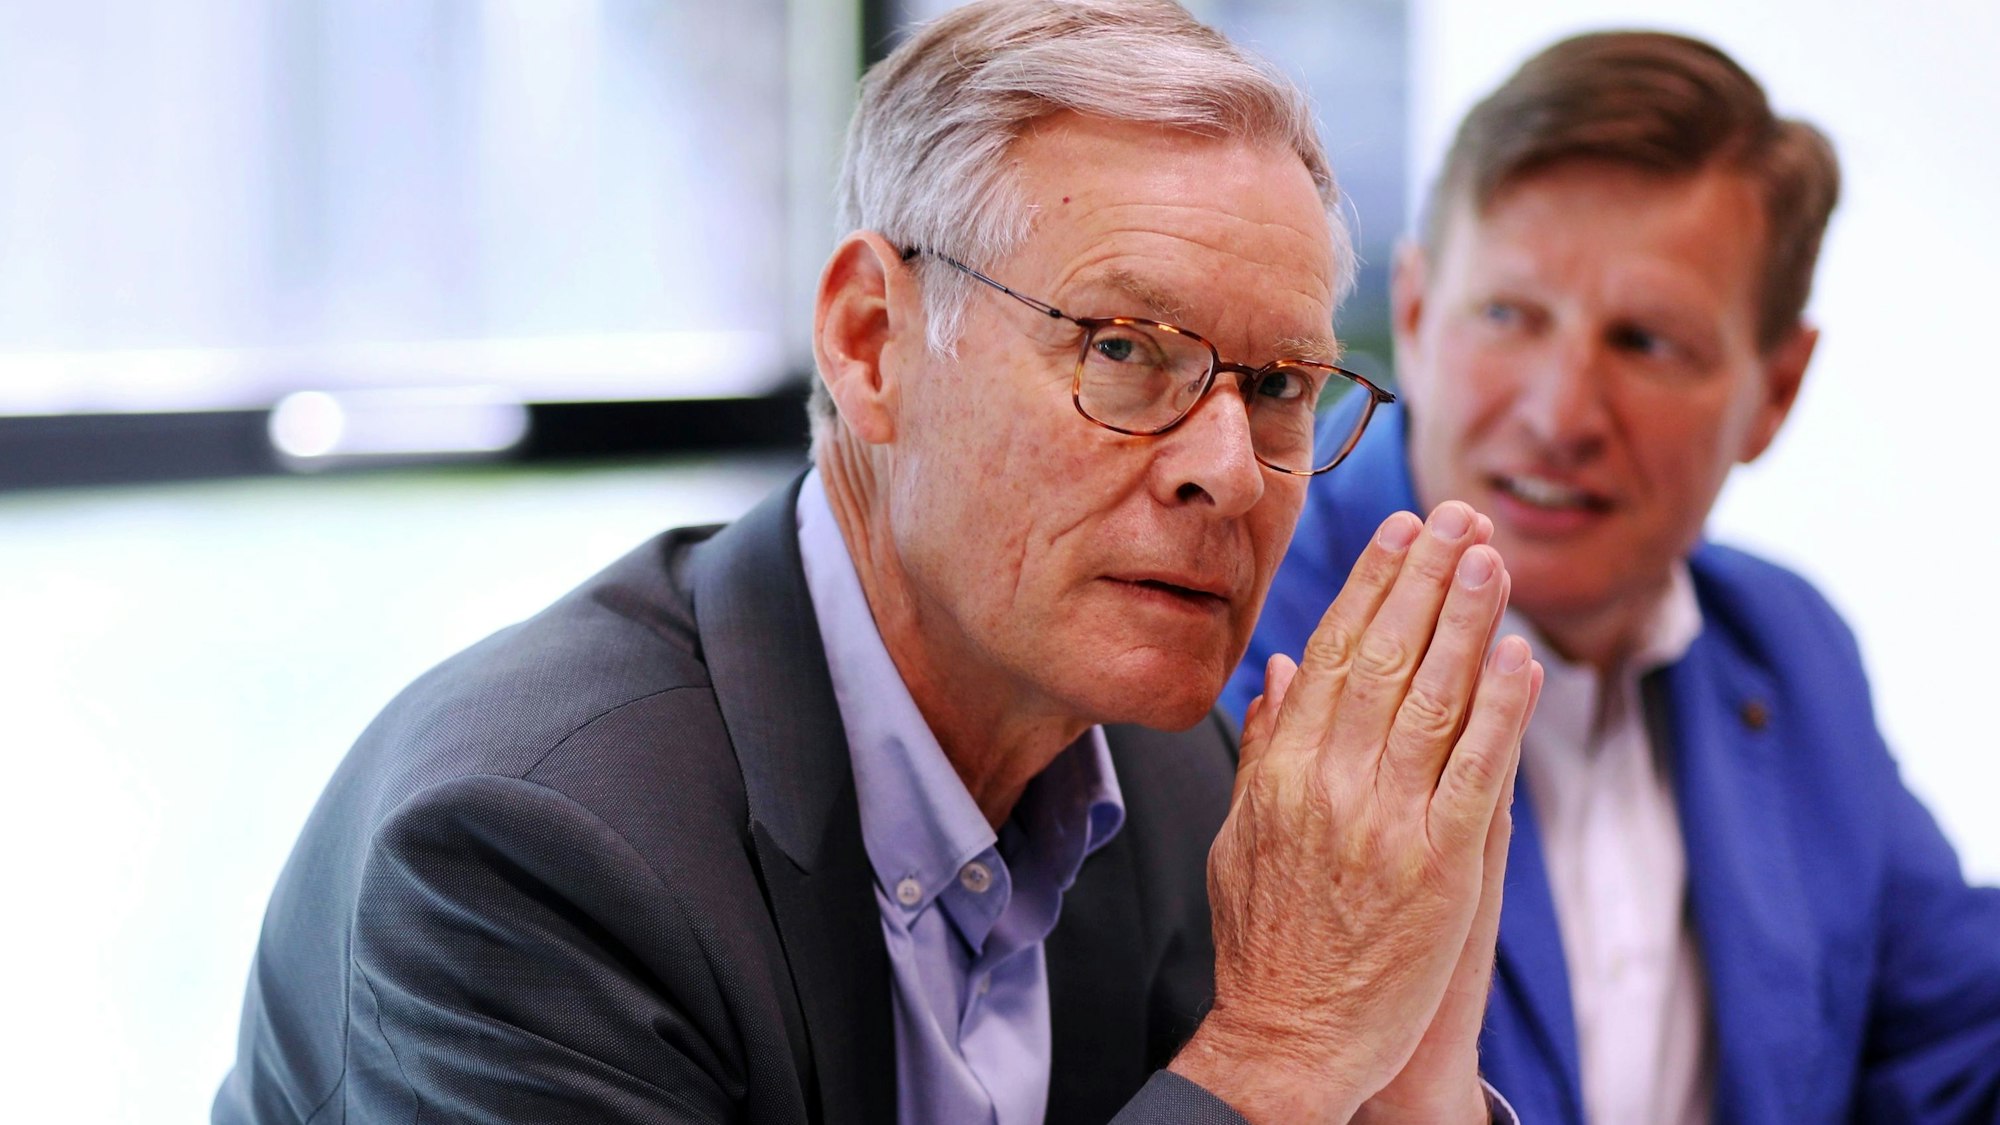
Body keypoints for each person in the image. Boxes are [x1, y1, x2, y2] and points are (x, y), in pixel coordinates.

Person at [214, 3, 1544, 1123]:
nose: (1224, 464)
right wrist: (1280, 1047)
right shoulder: (527, 849)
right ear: (869, 343)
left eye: (1278, 384)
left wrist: (1404, 1086)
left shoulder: (1180, 783)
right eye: (1124, 349)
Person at [1227, 28, 2000, 1125]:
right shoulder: (1237, 629)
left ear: (1775, 391)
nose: (1558, 414)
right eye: (1507, 316)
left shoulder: (1781, 645)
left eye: (1643, 342)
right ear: (1410, 310)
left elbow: (1954, 1047)